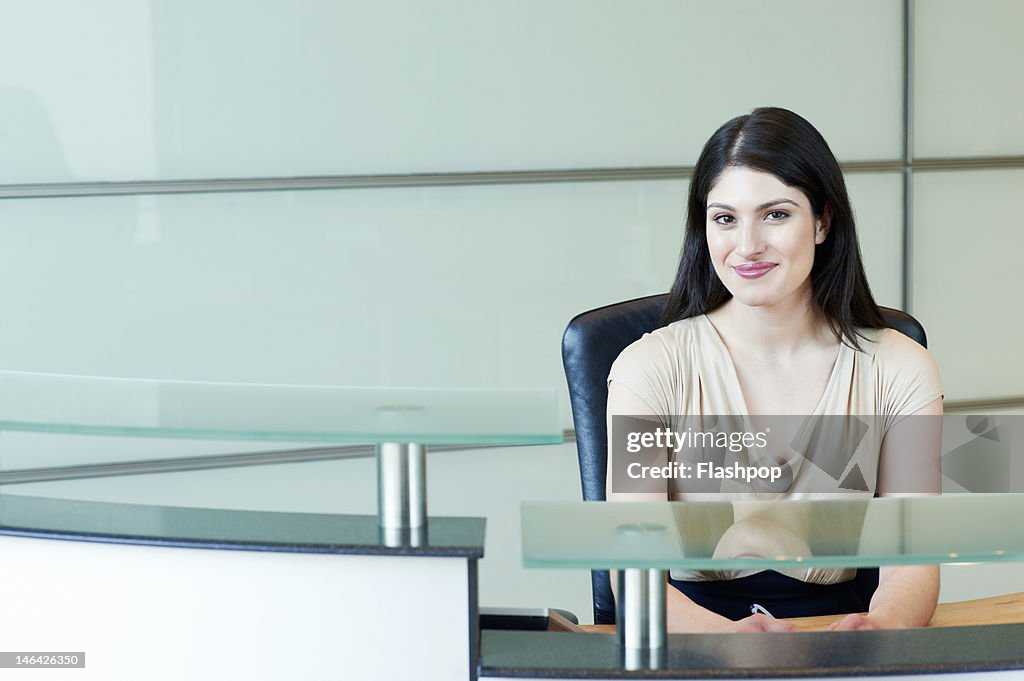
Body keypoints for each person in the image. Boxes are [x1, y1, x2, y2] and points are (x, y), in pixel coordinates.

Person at [605, 107, 943, 633]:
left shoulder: (901, 368)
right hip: (693, 641)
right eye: (725, 218)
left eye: (776, 214)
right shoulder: (647, 368)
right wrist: (733, 641)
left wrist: (881, 633)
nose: (747, 246)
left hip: (844, 639)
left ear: (823, 221)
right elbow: (634, 577)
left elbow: (914, 561)